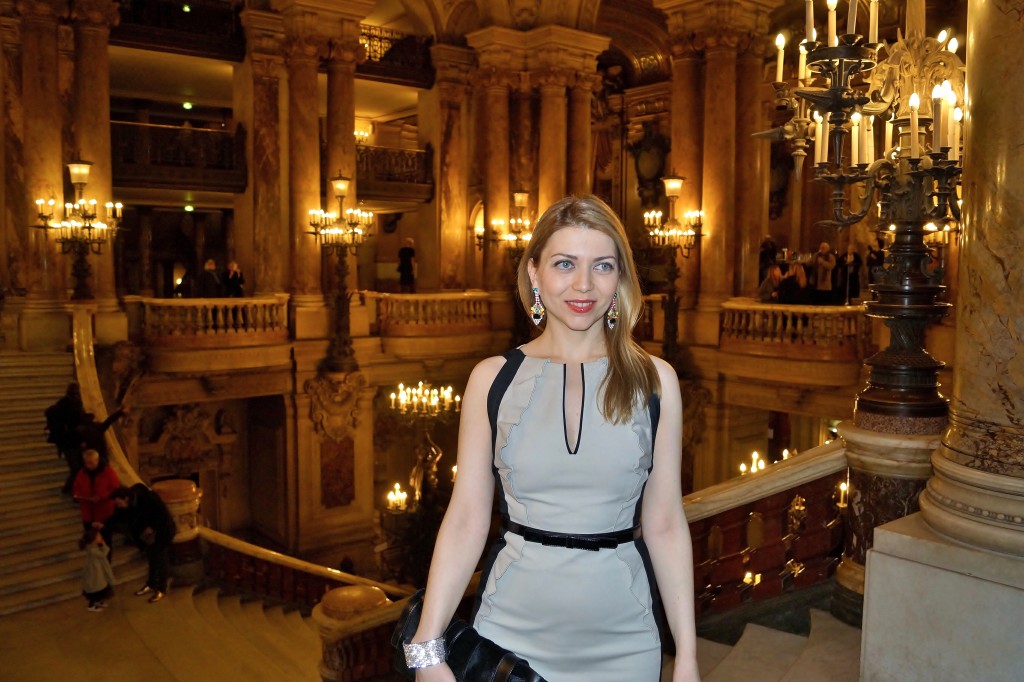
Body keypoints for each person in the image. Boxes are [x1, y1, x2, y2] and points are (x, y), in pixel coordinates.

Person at [407, 196, 699, 681]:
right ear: (535, 274)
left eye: (602, 266)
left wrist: (686, 655)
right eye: (565, 264)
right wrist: (427, 646)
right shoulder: (492, 379)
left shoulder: (656, 380)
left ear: (620, 280)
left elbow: (665, 522)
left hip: (624, 639)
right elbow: (466, 518)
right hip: (509, 634)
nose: (583, 284)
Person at [110, 484, 176, 603]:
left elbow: (162, 515)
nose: (118, 506)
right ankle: (151, 584)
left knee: (161, 560)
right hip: (147, 536)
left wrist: (152, 526)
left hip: (162, 532)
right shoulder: (128, 504)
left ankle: (162, 588)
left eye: (119, 503)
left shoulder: (149, 498)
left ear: (126, 498)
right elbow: (118, 517)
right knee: (151, 558)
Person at [72, 449, 121, 556]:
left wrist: (102, 497)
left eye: (94, 461)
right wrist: (81, 498)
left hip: (104, 513)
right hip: (88, 514)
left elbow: (116, 489)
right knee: (91, 543)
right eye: (88, 463)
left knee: (105, 542)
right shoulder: (81, 474)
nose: (91, 465)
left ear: (98, 460)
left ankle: (106, 566)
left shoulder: (108, 472)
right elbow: (76, 490)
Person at [45, 382, 85, 494]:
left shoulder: (62, 403)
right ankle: (70, 490)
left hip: (65, 442)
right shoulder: (73, 404)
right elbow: (76, 424)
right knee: (77, 468)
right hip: (70, 442)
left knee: (76, 468)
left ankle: (68, 488)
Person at [79, 527, 115, 612]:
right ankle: (92, 605)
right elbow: (103, 554)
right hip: (95, 573)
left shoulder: (93, 547)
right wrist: (104, 545)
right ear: (93, 539)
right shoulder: (92, 550)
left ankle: (98, 602)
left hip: (99, 571)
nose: (101, 537)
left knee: (101, 587)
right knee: (95, 589)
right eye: (99, 536)